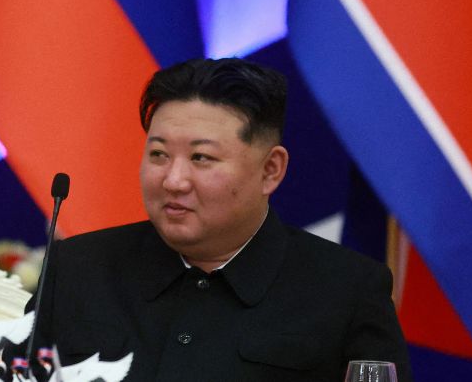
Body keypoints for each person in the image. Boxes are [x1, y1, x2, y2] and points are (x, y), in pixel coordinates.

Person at [25, 58, 412, 381]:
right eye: (159, 155)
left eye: (201, 158)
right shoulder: (77, 269)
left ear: (270, 170)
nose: (173, 180)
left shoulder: (347, 291)